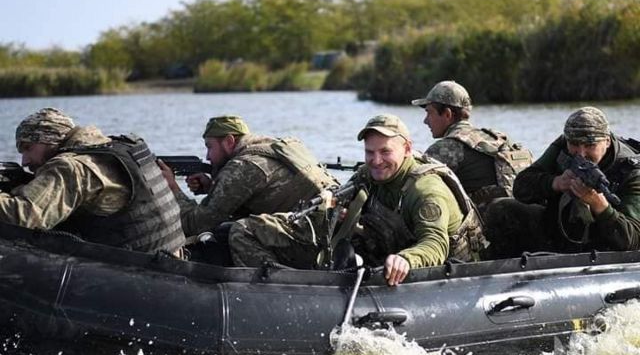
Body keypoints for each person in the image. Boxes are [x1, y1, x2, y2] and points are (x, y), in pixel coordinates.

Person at [228, 114, 485, 285]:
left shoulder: (426, 190)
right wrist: (333, 212)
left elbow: (435, 244)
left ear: (407, 149)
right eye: (369, 152)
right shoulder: (369, 174)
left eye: (385, 152)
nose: (376, 160)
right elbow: (337, 198)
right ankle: (283, 282)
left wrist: (406, 260)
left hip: (445, 276)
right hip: (383, 253)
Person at [0, 107, 185, 255]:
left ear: (48, 139)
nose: (24, 161)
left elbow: (23, 216)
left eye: (27, 148)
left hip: (139, 273)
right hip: (170, 258)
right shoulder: (117, 147)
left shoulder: (71, 167)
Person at [484, 106, 640, 257]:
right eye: (575, 145)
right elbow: (521, 187)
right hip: (557, 232)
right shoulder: (563, 145)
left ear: (606, 141)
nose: (581, 154)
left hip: (602, 248)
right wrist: (555, 183)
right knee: (501, 209)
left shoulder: (631, 170)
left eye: (590, 145)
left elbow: (632, 240)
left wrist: (600, 206)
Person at [158, 114, 338, 239]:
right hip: (327, 222)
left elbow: (196, 224)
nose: (207, 156)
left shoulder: (242, 167)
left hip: (311, 232)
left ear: (229, 141)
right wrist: (214, 186)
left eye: (209, 147)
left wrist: (172, 188)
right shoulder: (269, 146)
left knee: (233, 231)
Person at [412, 80, 533, 215]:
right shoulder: (497, 138)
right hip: (521, 218)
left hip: (486, 228)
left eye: (429, 112)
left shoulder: (446, 147)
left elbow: (413, 188)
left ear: (447, 114)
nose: (425, 120)